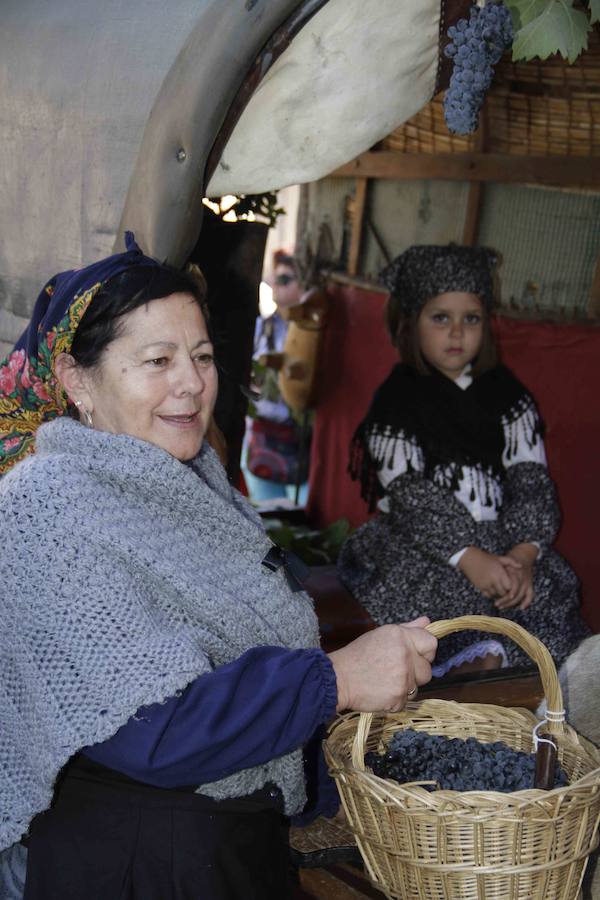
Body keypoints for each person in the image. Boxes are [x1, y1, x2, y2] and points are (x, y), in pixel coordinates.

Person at [0, 233, 438, 900]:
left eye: (203, 356)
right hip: (137, 865)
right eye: (158, 360)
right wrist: (337, 678)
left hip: (221, 848)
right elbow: (148, 728)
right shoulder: (49, 503)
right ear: (76, 381)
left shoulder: (187, 479)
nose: (193, 383)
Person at [337, 244, 590, 673]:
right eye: (441, 318)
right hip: (427, 547)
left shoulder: (509, 398)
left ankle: (537, 707)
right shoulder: (396, 404)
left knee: (541, 600)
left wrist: (524, 556)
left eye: (470, 319)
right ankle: (459, 706)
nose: (457, 333)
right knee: (464, 618)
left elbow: (530, 479)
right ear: (411, 323)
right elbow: (411, 496)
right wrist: (469, 557)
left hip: (505, 544)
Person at [244, 251, 309, 503]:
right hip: (262, 435)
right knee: (267, 515)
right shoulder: (260, 328)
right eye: (275, 279)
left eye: (285, 279)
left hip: (301, 437)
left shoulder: (312, 336)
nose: (274, 285)